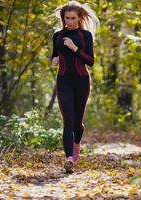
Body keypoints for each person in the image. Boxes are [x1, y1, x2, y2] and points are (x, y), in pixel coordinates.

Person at [51, 1, 99, 173]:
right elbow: (54, 56)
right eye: (67, 18)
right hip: (63, 80)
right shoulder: (57, 36)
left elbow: (91, 62)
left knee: (77, 123)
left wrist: (75, 48)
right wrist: (53, 61)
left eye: (73, 18)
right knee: (68, 121)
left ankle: (76, 144)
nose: (69, 21)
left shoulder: (85, 35)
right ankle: (69, 159)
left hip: (82, 81)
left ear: (79, 18)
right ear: (63, 18)